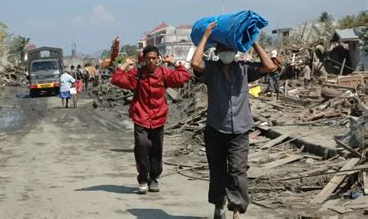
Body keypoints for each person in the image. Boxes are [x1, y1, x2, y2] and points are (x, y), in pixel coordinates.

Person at [191, 22, 277, 219]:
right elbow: (195, 64)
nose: (227, 52)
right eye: (223, 49)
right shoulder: (211, 69)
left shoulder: (245, 69)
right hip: (215, 129)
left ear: (235, 51)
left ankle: (237, 209)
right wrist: (205, 37)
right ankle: (218, 204)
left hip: (240, 129)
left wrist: (253, 42)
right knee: (217, 170)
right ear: (218, 50)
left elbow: (270, 66)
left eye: (230, 49)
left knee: (238, 170)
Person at [111, 46, 192, 194]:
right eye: (148, 58)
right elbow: (117, 79)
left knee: (156, 151)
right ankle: (143, 179)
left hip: (158, 118)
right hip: (141, 117)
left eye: (154, 58)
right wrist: (124, 65)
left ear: (158, 58)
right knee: (142, 147)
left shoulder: (164, 73)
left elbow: (183, 76)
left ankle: (153, 178)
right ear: (144, 59)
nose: (151, 61)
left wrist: (174, 63)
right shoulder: (137, 74)